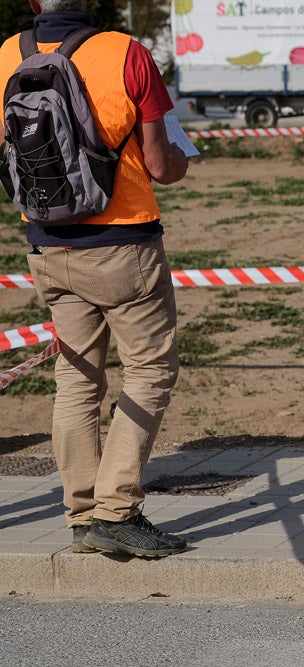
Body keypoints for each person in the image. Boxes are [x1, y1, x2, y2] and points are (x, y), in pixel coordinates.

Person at [0, 0, 189, 557]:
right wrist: (182, 156)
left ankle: (82, 514)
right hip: (122, 244)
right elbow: (161, 166)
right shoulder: (126, 53)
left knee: (76, 377)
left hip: (46, 244)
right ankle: (115, 509)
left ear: (36, 3)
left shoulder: (9, 54)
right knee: (151, 369)